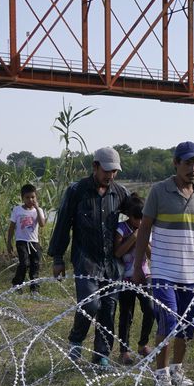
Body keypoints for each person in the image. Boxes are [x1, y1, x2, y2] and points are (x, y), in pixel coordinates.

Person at [133, 141, 194, 386]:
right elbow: (144, 229)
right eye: (187, 163)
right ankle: (161, 376)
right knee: (168, 321)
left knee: (187, 326)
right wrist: (139, 265)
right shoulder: (159, 192)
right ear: (176, 163)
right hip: (163, 271)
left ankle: (177, 370)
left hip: (192, 273)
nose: (193, 168)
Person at [49, 147, 135, 368]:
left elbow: (137, 213)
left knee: (108, 308)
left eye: (114, 171)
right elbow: (62, 225)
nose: (110, 176)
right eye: (107, 171)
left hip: (111, 263)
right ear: (95, 166)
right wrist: (58, 257)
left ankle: (101, 355)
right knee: (90, 305)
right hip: (85, 259)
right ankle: (76, 341)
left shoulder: (120, 192)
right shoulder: (77, 191)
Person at [113, 193, 154, 365]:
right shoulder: (121, 229)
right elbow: (118, 252)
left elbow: (151, 255)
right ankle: (124, 350)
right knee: (126, 314)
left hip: (145, 276)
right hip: (126, 278)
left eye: (142, 218)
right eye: (137, 218)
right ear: (129, 215)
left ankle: (143, 344)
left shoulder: (146, 228)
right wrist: (134, 237)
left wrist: (144, 240)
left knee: (150, 310)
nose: (139, 221)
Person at [8, 183, 46, 293]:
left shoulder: (38, 210)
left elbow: (42, 224)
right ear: (22, 198)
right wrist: (9, 242)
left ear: (36, 197)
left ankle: (34, 289)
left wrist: (38, 209)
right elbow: (11, 227)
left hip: (34, 242)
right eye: (27, 197)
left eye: (33, 197)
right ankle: (17, 285)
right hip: (21, 241)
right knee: (24, 263)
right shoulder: (17, 210)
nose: (30, 200)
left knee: (35, 265)